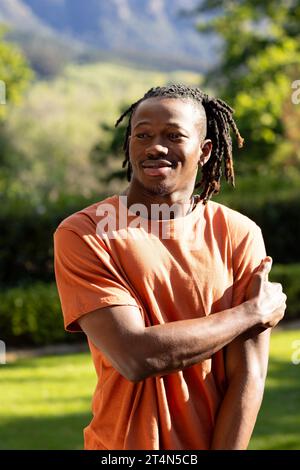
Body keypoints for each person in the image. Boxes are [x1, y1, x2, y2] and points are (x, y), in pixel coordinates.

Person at [54, 84, 286, 450]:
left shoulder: (239, 235)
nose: (154, 147)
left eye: (173, 135)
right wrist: (251, 313)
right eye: (142, 134)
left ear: (205, 151)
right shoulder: (86, 232)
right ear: (129, 144)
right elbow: (135, 354)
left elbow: (249, 374)